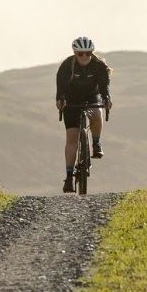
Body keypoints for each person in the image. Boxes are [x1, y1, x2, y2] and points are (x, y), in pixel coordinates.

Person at [56, 36, 112, 193]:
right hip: (71, 99)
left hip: (91, 96)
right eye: (80, 54)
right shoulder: (67, 65)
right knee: (72, 137)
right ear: (75, 53)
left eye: (88, 53)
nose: (85, 57)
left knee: (96, 112)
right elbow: (60, 86)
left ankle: (96, 143)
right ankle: (68, 177)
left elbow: (104, 86)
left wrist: (107, 99)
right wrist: (60, 100)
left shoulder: (99, 66)